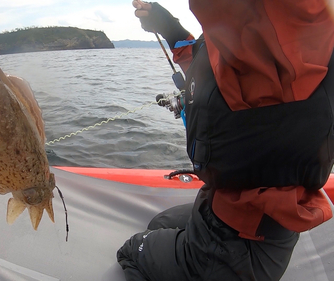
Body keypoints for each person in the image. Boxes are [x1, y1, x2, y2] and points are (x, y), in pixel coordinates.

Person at [117, 1, 334, 280]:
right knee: (159, 223)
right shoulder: (257, 40)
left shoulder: (279, 21)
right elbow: (214, 63)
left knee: (131, 250)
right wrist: (170, 28)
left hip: (242, 244)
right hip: (220, 208)